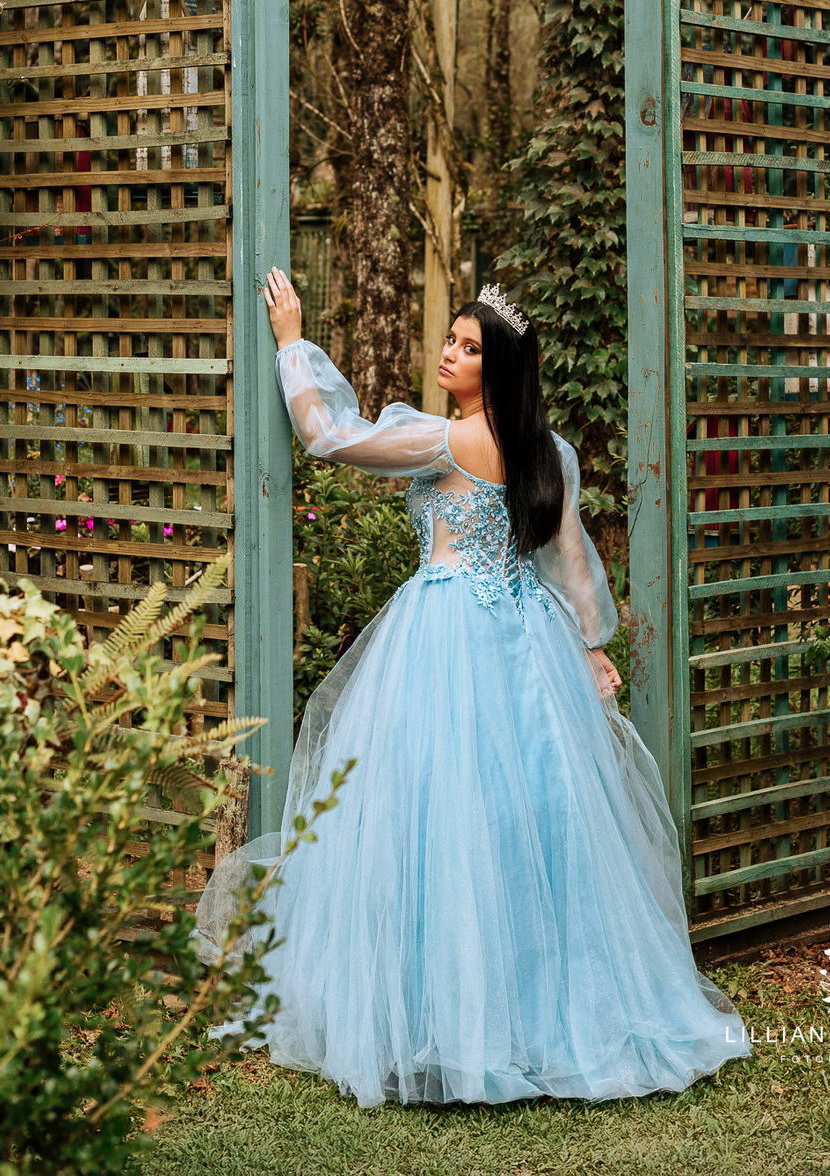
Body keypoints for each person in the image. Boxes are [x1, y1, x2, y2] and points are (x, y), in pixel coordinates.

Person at [194, 272, 752, 1108]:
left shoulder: (451, 442)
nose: (448, 354)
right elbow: (569, 559)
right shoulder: (545, 449)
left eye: (468, 347)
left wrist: (290, 342)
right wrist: (593, 649)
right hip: (528, 640)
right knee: (524, 821)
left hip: (445, 631)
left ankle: (453, 1015)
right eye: (451, 340)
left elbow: (329, 436)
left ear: (499, 369)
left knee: (433, 817)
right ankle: (528, 1005)